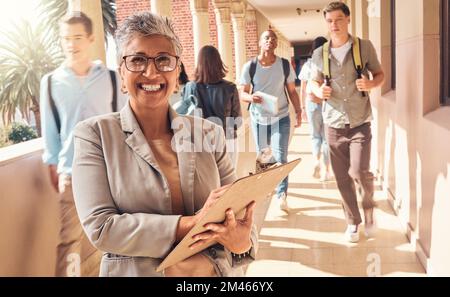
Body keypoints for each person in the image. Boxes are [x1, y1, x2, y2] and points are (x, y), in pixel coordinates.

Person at [71, 12, 257, 277]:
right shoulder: (94, 136)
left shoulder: (209, 134)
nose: (151, 71)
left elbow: (240, 217)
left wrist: (242, 242)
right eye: (137, 60)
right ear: (121, 72)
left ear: (177, 69)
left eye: (163, 60)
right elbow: (102, 228)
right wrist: (193, 223)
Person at [39, 11, 127, 277]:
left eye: (77, 37)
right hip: (72, 175)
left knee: (114, 241)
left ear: (91, 39)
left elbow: (124, 126)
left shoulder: (112, 79)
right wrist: (55, 166)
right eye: (66, 38)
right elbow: (50, 131)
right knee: (69, 243)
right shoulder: (51, 82)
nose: (71, 44)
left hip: (109, 175)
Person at [309, 2, 385, 242]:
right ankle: (353, 222)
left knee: (359, 170)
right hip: (332, 124)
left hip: (360, 121)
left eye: (339, 19)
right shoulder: (319, 53)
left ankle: (369, 207)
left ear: (348, 20)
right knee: (342, 178)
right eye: (330, 21)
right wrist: (319, 91)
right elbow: (313, 82)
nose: (334, 25)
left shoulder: (363, 47)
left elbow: (380, 74)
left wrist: (371, 84)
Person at [239, 29, 302, 211]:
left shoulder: (284, 65)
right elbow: (243, 92)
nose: (271, 41)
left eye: (273, 39)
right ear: (260, 42)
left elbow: (291, 91)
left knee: (281, 156)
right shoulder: (250, 66)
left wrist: (298, 112)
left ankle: (282, 195)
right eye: (267, 38)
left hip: (280, 117)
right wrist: (251, 98)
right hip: (259, 118)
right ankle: (266, 189)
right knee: (264, 157)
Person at [177, 45, 242, 168]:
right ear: (219, 62)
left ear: (199, 63)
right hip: (227, 139)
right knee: (229, 182)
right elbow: (237, 121)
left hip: (200, 142)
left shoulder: (190, 87)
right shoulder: (230, 88)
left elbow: (183, 117)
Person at [298, 36, 332, 182]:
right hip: (327, 103)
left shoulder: (308, 65)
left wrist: (302, 108)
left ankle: (316, 161)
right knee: (326, 138)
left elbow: (303, 89)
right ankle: (326, 171)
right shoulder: (330, 63)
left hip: (311, 103)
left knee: (315, 136)